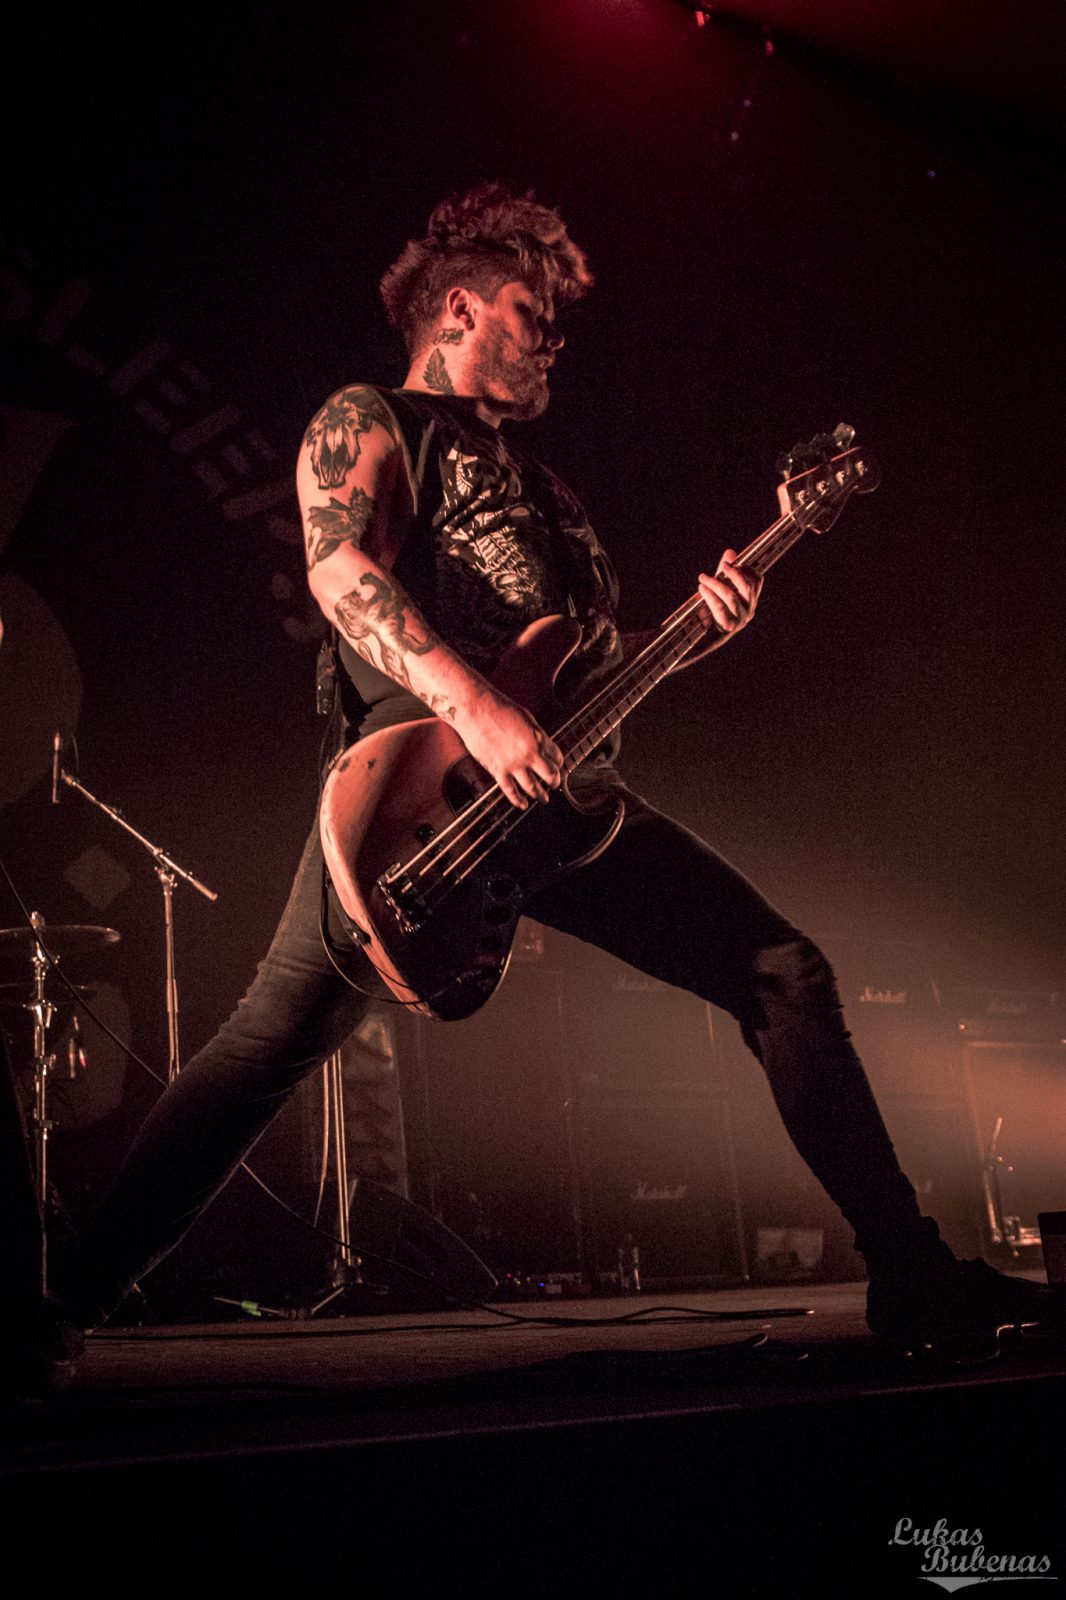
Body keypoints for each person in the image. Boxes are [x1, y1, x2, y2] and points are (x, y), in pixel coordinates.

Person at [43, 183, 1063, 1360]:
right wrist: (478, 711)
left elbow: (585, 673)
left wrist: (696, 630)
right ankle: (58, 1306)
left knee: (783, 971)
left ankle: (910, 1272)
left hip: (558, 799)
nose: (552, 340)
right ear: (459, 309)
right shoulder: (372, 419)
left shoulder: (550, 493)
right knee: (264, 1047)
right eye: (532, 312)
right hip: (415, 803)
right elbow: (337, 573)